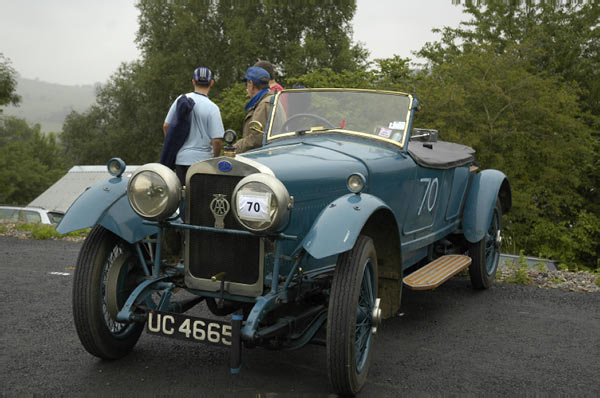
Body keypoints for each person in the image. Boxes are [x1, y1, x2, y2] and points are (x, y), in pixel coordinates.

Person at [163, 66, 224, 185]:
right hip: (203, 162)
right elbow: (217, 140)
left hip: (181, 159)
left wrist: (174, 145)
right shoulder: (213, 108)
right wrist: (214, 158)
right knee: (199, 200)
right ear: (211, 83)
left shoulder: (181, 100)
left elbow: (166, 126)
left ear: (193, 81)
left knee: (182, 197)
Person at [234, 66, 274, 153]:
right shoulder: (271, 100)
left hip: (262, 156)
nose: (246, 88)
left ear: (251, 84)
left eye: (247, 84)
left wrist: (235, 148)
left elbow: (258, 138)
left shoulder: (264, 104)